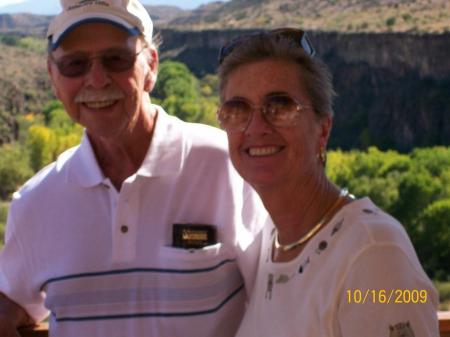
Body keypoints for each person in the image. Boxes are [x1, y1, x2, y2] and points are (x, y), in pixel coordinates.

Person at [0, 1, 266, 336]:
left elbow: (280, 295)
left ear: (151, 66)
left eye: (116, 59)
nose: (96, 80)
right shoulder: (34, 202)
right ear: (53, 77)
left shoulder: (230, 166)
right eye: (74, 64)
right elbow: (13, 300)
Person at [216, 28, 440, 337]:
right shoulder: (272, 240)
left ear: (323, 130)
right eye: (237, 109)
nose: (256, 127)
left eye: (280, 107)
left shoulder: (375, 254)